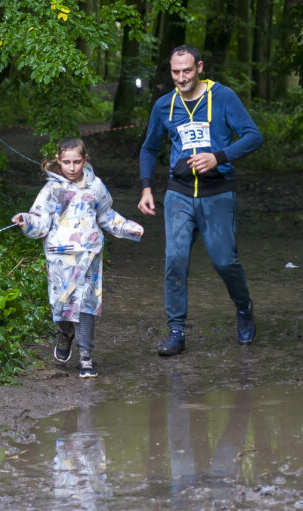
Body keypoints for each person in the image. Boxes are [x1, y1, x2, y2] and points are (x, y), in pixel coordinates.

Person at [137, 45, 263, 356]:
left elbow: (253, 136)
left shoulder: (223, 97)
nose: (181, 77)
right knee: (175, 261)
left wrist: (218, 157)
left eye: (187, 71)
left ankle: (244, 308)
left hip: (217, 192)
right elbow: (149, 148)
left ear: (200, 67)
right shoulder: (164, 105)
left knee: (224, 261)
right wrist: (146, 187)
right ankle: (176, 331)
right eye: (175, 72)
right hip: (178, 192)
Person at [13, 138, 144, 377]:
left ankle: (86, 357)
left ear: (85, 160)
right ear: (58, 161)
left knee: (86, 305)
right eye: (66, 162)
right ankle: (65, 334)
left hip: (89, 256)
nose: (72, 168)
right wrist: (25, 220)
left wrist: (127, 227)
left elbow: (106, 216)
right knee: (61, 306)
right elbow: (39, 221)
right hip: (60, 258)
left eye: (77, 162)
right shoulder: (52, 190)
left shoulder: (95, 187)